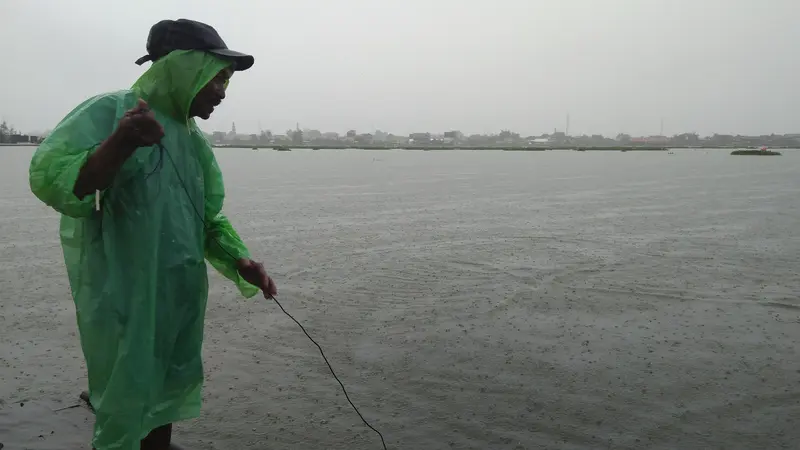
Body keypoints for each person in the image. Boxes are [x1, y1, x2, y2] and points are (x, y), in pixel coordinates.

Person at [28, 19, 277, 450]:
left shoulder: (193, 140)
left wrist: (238, 260)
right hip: (125, 296)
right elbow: (55, 182)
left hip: (178, 297)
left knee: (168, 395)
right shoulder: (113, 111)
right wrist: (121, 142)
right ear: (183, 68)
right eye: (216, 77)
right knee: (125, 398)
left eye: (226, 81)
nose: (222, 91)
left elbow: (205, 218)